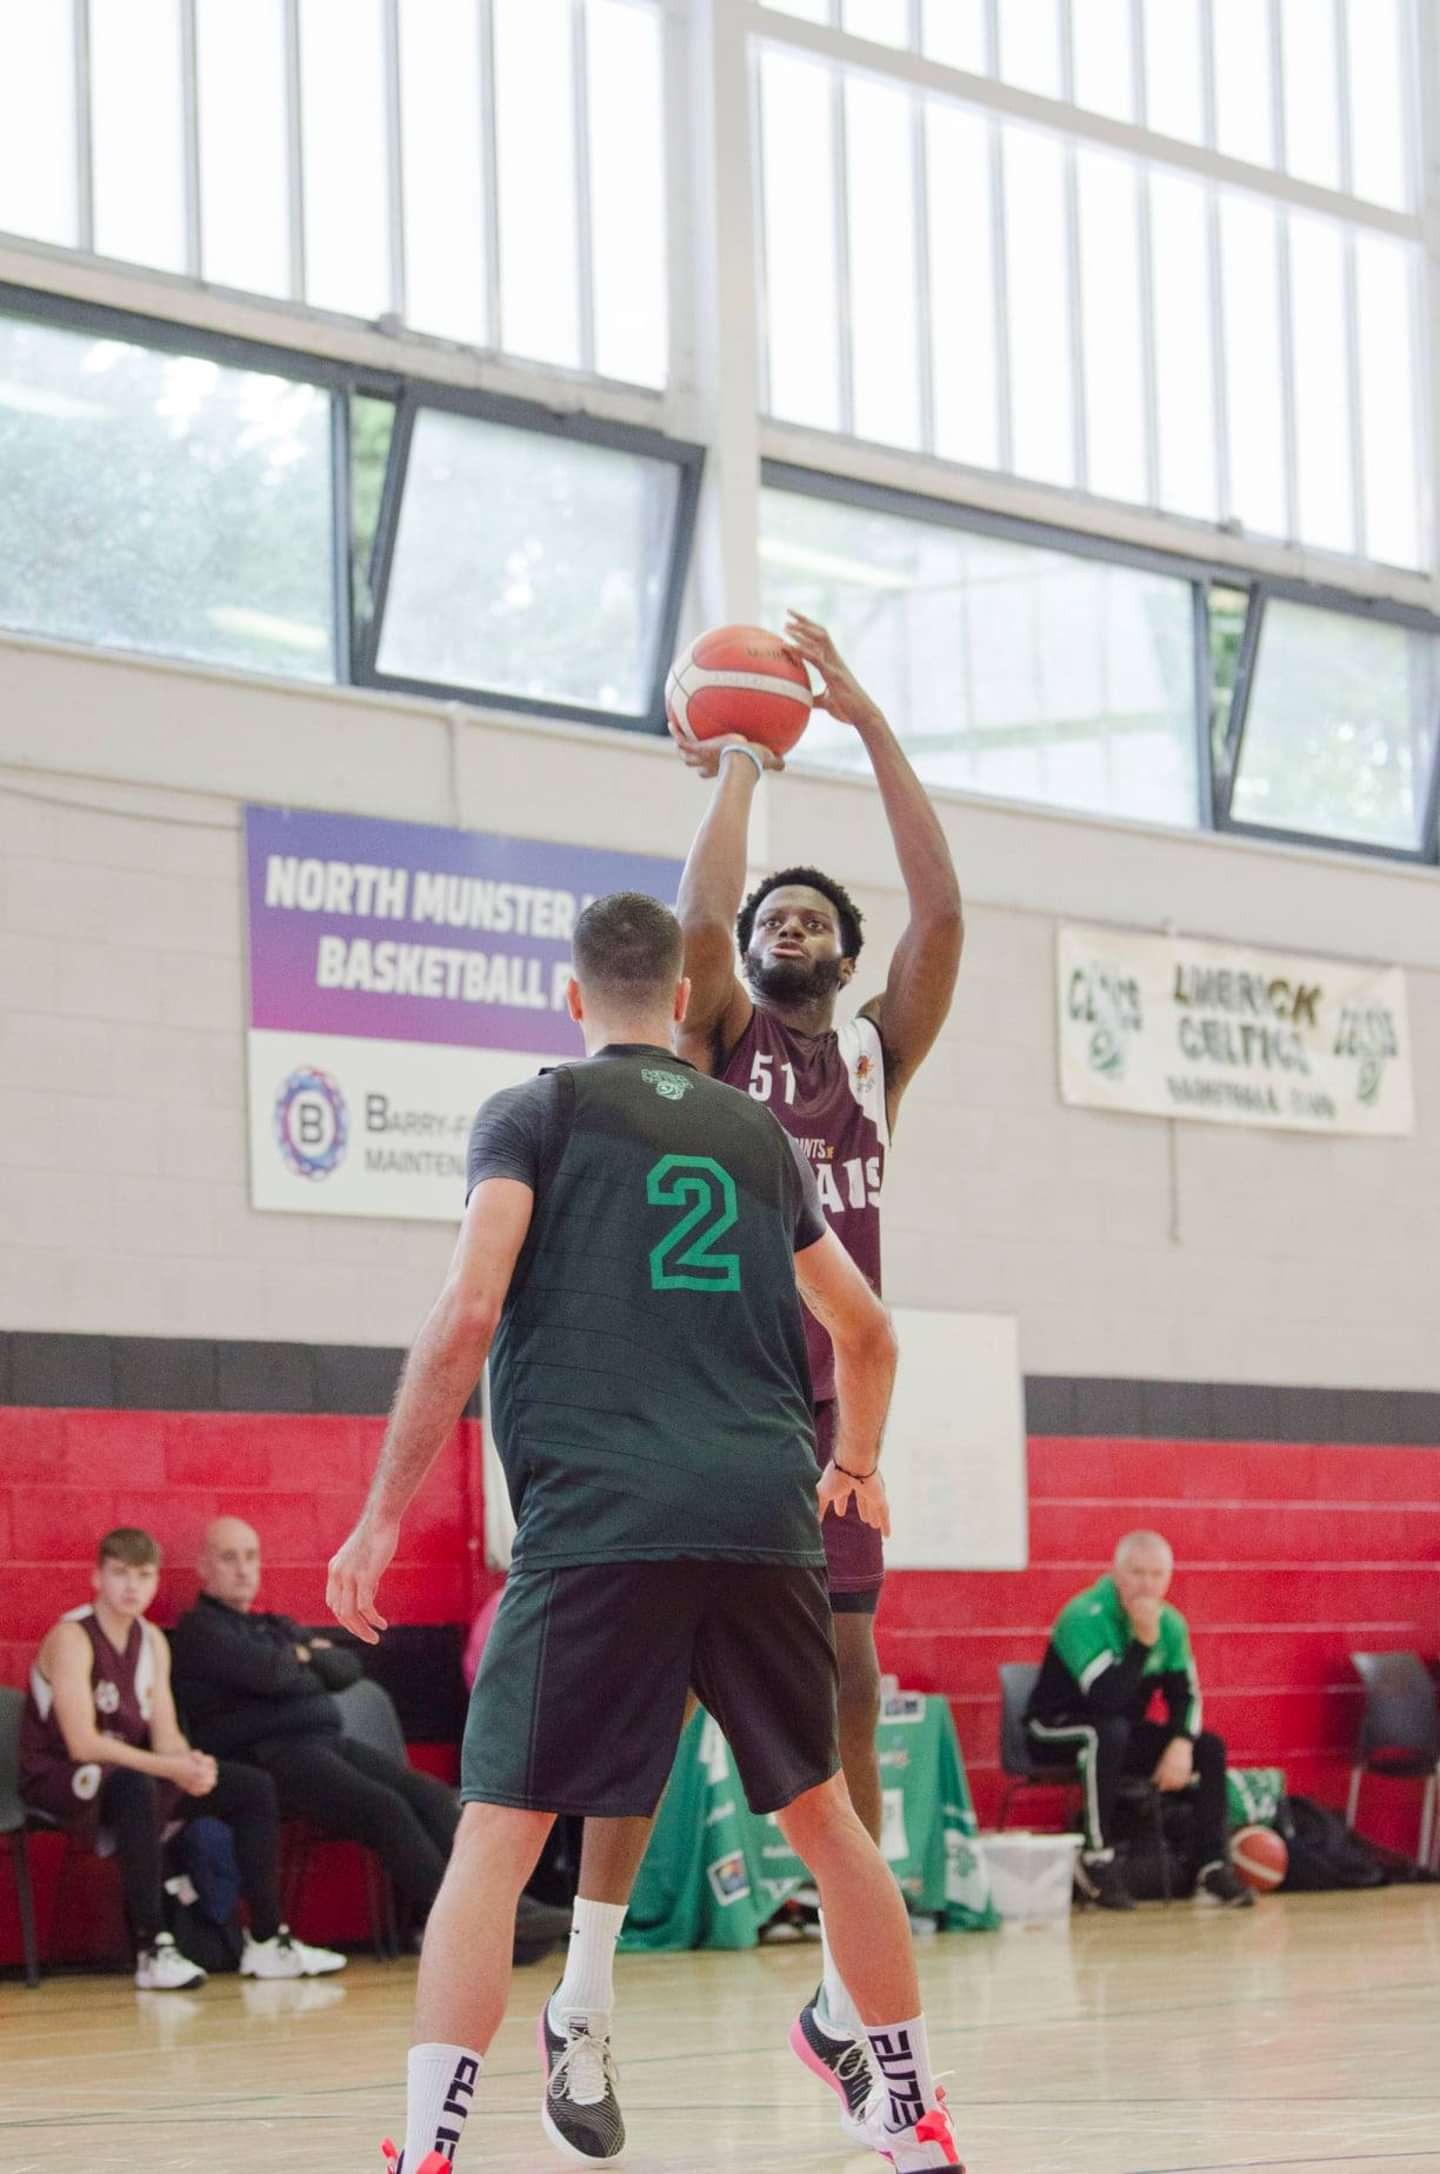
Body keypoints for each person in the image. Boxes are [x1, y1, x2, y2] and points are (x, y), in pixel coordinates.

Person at [325, 892, 962, 2174]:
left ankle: (432, 2149)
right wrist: (857, 1463)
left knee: (496, 1837)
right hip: (763, 1520)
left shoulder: (535, 1111)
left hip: (601, 1525)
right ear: (682, 1001)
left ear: (574, 1002)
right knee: (830, 1825)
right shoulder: (760, 1135)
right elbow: (871, 1332)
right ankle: (916, 2121)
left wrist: (381, 1512)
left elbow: (466, 1311)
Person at [573, 610, 964, 2099]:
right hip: (703, 1385)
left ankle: (839, 1994)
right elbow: (692, 931)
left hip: (823, 1395)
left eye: (813, 914)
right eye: (769, 914)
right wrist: (737, 765)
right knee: (662, 1683)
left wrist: (863, 726)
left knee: (850, 1674)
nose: (783, 920)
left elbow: (944, 915)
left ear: (848, 956)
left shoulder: (874, 1053)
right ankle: (591, 1980)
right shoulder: (721, 1037)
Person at [168, 1518, 569, 1963]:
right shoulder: (199, 1632)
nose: (243, 1569)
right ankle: (468, 1926)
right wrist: (304, 1662)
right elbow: (277, 1674)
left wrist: (301, 1665)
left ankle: (504, 1905)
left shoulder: (273, 1627)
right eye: (229, 1558)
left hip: (321, 1743)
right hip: (268, 1760)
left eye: (250, 1557)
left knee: (430, 1795)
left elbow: (345, 1669)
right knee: (385, 1809)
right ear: (203, 1567)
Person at [19, 1525, 345, 1988]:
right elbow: (83, 1745)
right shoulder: (71, 1637)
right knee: (137, 1785)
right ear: (97, 1579)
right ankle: (154, 1947)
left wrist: (191, 1764)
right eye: (120, 1574)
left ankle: (269, 1941)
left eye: (144, 1575)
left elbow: (167, 1736)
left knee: (249, 1786)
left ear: (155, 1582)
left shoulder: (152, 1641)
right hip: (60, 1778)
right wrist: (167, 1767)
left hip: (132, 1773)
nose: (132, 1586)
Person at [1025, 1530, 1254, 1910]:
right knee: (1108, 1731)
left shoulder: (1173, 1625)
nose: (1147, 1585)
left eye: (1157, 1575)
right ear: (1117, 1574)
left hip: (1115, 1733)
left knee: (1208, 1747)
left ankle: (1211, 1865)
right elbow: (1106, 1700)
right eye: (1137, 1573)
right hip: (1054, 1727)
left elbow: (1187, 1696)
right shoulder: (1084, 1615)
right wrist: (1143, 1642)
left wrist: (1180, 1743)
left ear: (1168, 1578)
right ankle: (1096, 1856)